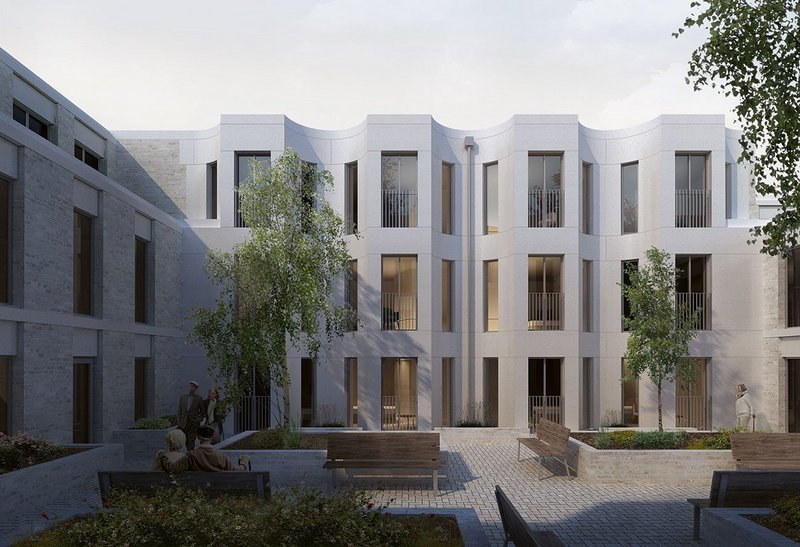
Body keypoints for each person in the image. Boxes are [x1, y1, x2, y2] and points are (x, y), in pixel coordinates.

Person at [157, 424, 249, 473]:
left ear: (198, 437)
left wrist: (162, 454)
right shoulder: (221, 457)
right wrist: (243, 462)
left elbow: (172, 468)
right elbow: (236, 471)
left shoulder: (191, 456)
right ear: (212, 438)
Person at [177, 381, 204, 450]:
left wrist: (198, 420)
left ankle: (191, 455)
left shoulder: (199, 398)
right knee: (186, 440)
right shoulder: (183, 397)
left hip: (193, 423)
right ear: (189, 387)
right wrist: (179, 422)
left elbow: (202, 412)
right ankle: (189, 454)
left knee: (191, 440)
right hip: (184, 423)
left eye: (194, 387)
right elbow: (179, 410)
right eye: (191, 386)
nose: (192, 388)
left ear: (196, 389)